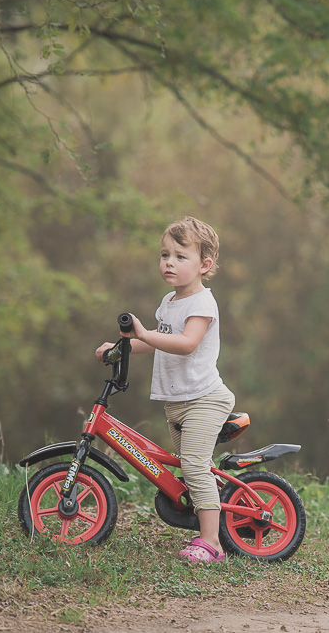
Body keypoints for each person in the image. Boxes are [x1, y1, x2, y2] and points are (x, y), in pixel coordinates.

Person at [94, 216, 234, 564]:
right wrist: (120, 346)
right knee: (189, 468)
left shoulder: (201, 304)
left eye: (180, 256)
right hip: (177, 402)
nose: (169, 262)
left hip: (205, 399)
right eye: (164, 254)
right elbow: (160, 342)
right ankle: (211, 511)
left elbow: (185, 344)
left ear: (205, 264)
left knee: (194, 465)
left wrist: (141, 334)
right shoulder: (169, 301)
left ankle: (211, 543)